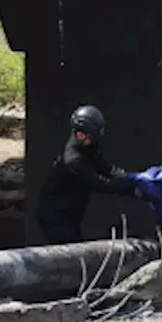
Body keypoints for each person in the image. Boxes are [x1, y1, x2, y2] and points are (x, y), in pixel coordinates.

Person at [36, 105, 140, 245]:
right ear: (80, 134)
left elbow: (101, 164)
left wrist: (125, 176)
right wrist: (129, 187)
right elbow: (99, 183)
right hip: (56, 215)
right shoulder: (73, 160)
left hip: (71, 211)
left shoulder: (88, 144)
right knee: (70, 254)